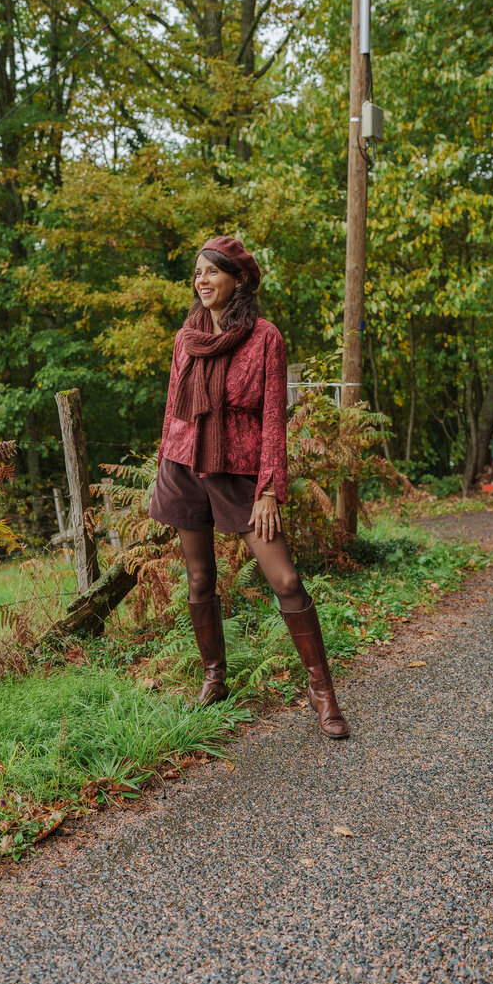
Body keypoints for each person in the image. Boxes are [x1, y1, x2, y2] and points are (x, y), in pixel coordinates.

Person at [149, 236, 349, 739]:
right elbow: (173, 408)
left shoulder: (265, 338)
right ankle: (214, 678)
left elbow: (274, 419)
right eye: (198, 272)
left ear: (238, 279)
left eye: (212, 271)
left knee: (286, 581)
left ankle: (322, 691)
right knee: (199, 577)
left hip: (239, 474)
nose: (202, 280)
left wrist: (269, 489)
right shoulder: (186, 337)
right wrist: (162, 469)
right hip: (183, 465)